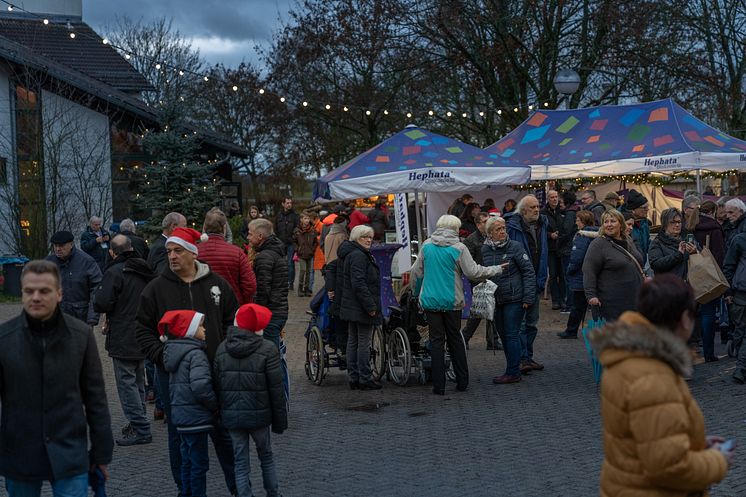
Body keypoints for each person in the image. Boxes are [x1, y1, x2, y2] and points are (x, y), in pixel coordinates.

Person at [589, 275, 733, 496]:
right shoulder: (653, 378)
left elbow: (648, 435)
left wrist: (693, 444)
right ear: (684, 319)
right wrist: (716, 461)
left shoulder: (626, 357)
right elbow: (670, 467)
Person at [136, 227, 238, 496]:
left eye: (178, 250)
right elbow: (142, 329)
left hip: (215, 373)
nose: (171, 256)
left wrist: (225, 351)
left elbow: (232, 320)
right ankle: (186, 490)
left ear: (193, 253)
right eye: (169, 251)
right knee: (180, 437)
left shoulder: (217, 284)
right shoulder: (156, 288)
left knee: (224, 435)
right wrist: (162, 357)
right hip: (173, 379)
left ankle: (239, 488)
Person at [0, 260, 113, 496]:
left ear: (59, 293)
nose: (36, 297)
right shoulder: (5, 339)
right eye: (29, 291)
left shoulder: (80, 335)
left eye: (45, 291)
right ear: (21, 293)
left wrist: (101, 453)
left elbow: (96, 399)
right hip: (20, 453)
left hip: (69, 451)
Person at [410, 214, 504, 395]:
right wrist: (496, 269)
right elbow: (473, 272)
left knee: (436, 342)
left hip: (430, 301)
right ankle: (462, 381)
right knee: (455, 340)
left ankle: (439, 386)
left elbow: (416, 272)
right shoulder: (459, 248)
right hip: (452, 302)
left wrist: (415, 292)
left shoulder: (427, 246)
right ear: (455, 228)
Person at [214, 304, 288, 497]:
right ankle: (273, 493)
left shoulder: (222, 349)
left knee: (240, 462)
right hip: (260, 417)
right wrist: (280, 421)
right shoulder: (267, 349)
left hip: (233, 418)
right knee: (266, 456)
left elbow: (217, 385)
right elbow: (277, 389)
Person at [93, 234, 155, 446]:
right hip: (142, 332)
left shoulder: (114, 272)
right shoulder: (144, 269)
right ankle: (139, 421)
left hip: (123, 334)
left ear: (112, 252)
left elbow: (101, 302)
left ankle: (140, 427)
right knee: (137, 380)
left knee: (126, 383)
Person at [160, 310, 217, 497]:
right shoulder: (196, 355)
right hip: (196, 418)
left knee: (186, 460)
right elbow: (200, 386)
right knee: (199, 463)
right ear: (190, 331)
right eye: (200, 326)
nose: (204, 329)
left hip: (181, 418)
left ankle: (185, 493)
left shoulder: (173, 353)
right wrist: (213, 404)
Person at [482, 216, 535, 383]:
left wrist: (528, 297)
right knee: (504, 335)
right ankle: (513, 366)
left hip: (514, 298)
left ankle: (513, 372)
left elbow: (528, 271)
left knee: (512, 334)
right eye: (498, 229)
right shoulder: (484, 250)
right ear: (489, 233)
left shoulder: (515, 247)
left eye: (503, 228)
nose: (502, 231)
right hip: (496, 299)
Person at [506, 195, 548, 373]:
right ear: (523, 211)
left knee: (532, 323)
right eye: (532, 207)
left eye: (538, 206)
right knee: (521, 323)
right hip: (520, 282)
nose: (537, 210)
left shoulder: (542, 224)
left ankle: (528, 357)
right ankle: (522, 358)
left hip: (536, 280)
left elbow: (544, 252)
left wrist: (542, 277)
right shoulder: (511, 227)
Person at [340, 225, 382, 390]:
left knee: (354, 341)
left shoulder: (354, 253)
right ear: (356, 238)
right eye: (365, 237)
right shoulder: (359, 255)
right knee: (362, 342)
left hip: (353, 305)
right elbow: (358, 283)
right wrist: (370, 306)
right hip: (360, 306)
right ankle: (364, 378)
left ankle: (354, 377)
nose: (369, 240)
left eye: (370, 237)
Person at [583, 209, 645, 321]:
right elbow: (589, 271)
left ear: (621, 224)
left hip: (634, 299)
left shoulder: (628, 240)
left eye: (613, 221)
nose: (609, 225)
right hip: (612, 303)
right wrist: (591, 296)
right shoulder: (598, 244)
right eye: (606, 222)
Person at [688, 200, 726, 363]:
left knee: (698, 313)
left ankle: (695, 347)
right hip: (709, 276)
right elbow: (719, 255)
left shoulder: (691, 226)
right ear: (713, 211)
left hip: (693, 274)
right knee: (709, 313)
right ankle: (709, 353)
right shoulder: (715, 228)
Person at [199, 208, 257, 305]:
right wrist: (243, 303)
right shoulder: (237, 253)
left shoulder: (194, 252)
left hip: (203, 306)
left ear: (204, 227)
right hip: (232, 306)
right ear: (224, 227)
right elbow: (250, 285)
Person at [247, 219, 289, 349]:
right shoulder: (276, 252)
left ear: (260, 236)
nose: (248, 237)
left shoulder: (264, 257)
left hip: (271, 313)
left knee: (271, 355)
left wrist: (258, 313)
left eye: (250, 234)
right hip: (279, 309)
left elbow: (263, 288)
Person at [46, 230, 102, 326]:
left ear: (71, 245)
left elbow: (97, 289)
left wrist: (92, 317)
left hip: (80, 317)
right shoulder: (48, 263)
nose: (58, 249)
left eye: (61, 246)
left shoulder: (86, 262)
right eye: (55, 246)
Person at [461, 212, 499, 350]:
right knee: (479, 310)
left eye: (489, 220)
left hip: (492, 275)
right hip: (478, 278)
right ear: (478, 224)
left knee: (492, 307)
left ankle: (492, 340)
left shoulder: (492, 235)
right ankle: (465, 337)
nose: (488, 223)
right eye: (484, 221)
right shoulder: (471, 240)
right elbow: (467, 262)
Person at [557, 211, 598, 339]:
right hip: (593, 275)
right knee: (591, 306)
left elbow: (576, 257)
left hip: (581, 275)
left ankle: (571, 330)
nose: (575, 222)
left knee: (578, 306)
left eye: (578, 220)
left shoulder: (582, 235)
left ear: (583, 221)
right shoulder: (597, 234)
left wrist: (569, 270)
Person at [722, 230, 746, 383]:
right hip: (740, 293)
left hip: (739, 291)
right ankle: (740, 367)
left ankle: (740, 368)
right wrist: (728, 292)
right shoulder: (739, 240)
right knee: (739, 332)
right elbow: (728, 266)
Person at [648, 208, 697, 280]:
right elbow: (656, 265)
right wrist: (678, 255)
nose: (677, 225)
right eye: (672, 222)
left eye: (679, 222)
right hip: (668, 286)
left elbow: (700, 260)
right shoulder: (658, 243)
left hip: (688, 286)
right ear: (665, 225)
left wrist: (695, 253)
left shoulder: (687, 239)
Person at [542, 190, 565, 310]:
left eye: (556, 197)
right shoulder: (543, 213)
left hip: (562, 247)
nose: (554, 199)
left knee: (563, 275)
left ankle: (563, 299)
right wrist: (550, 235)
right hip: (550, 249)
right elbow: (540, 231)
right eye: (552, 197)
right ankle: (555, 300)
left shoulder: (563, 210)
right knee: (553, 275)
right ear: (548, 199)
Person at [558, 191, 579, 312]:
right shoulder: (572, 212)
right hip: (569, 248)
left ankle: (570, 305)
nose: (560, 204)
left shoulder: (570, 214)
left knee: (569, 278)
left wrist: (559, 242)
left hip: (567, 249)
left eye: (561, 201)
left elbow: (566, 231)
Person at [274, 197, 300, 291]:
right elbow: (275, 229)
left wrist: (294, 239)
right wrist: (276, 240)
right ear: (283, 204)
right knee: (280, 264)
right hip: (280, 243)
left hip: (291, 243)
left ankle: (290, 283)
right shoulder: (279, 215)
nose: (289, 204)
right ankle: (282, 282)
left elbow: (298, 229)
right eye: (287, 203)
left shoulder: (295, 216)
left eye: (290, 203)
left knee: (290, 264)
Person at [293, 213, 319, 297]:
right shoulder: (297, 230)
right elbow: (294, 241)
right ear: (301, 220)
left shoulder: (312, 230)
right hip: (301, 254)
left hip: (310, 254)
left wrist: (313, 249)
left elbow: (315, 241)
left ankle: (307, 288)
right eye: (305, 218)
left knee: (309, 272)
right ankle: (300, 288)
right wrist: (297, 249)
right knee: (303, 270)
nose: (307, 220)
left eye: (308, 218)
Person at [624, 189, 651, 262]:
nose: (647, 209)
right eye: (644, 207)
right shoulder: (624, 223)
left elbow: (647, 242)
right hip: (630, 263)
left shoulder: (644, 222)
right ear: (634, 209)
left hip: (642, 263)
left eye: (647, 207)